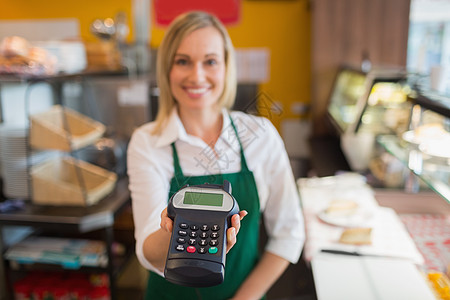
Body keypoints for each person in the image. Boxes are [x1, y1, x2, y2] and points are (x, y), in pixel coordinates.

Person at [127, 11, 305, 300]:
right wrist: (171, 229)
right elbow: (147, 252)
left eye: (210, 61)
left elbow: (289, 233)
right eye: (183, 61)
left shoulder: (261, 134)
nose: (197, 76)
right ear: (167, 69)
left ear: (225, 67)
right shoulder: (148, 142)